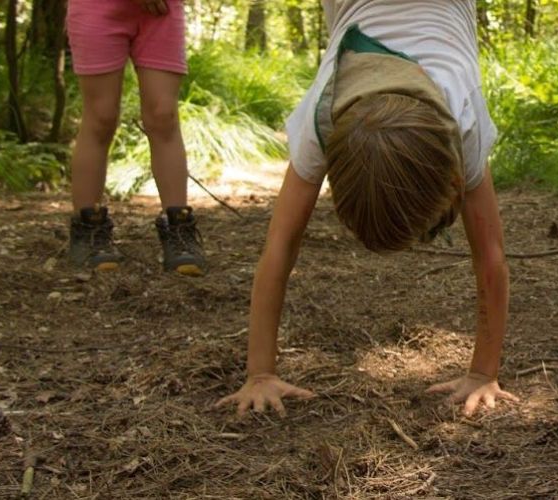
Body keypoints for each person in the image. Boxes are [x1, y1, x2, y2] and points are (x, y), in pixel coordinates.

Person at [215, 0, 515, 418]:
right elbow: (279, 246)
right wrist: (259, 372)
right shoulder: (321, 120)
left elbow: (491, 256)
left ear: (450, 181)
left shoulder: (460, 116)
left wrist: (485, 372)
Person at [64, 0, 206, 275]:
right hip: (96, 7)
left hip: (162, 9)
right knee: (101, 116)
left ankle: (179, 229)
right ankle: (89, 231)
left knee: (163, 115)